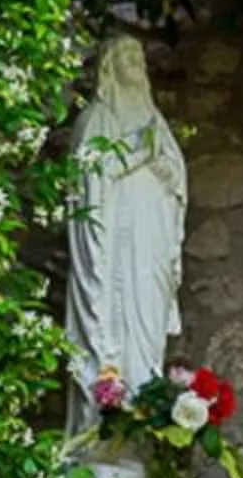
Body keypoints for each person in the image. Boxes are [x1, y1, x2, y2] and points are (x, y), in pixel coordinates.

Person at [63, 33, 186, 427]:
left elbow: (176, 178)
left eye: (139, 56)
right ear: (109, 67)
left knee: (148, 327)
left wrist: (166, 171)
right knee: (113, 324)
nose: (136, 62)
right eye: (126, 56)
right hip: (115, 247)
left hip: (151, 242)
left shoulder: (155, 121)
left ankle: (147, 409)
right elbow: (89, 183)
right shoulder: (97, 119)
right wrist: (139, 155)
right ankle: (109, 415)